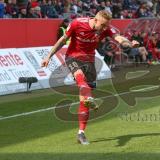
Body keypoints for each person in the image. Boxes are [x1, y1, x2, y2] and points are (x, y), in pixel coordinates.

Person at [41, 10, 137, 145]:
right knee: (80, 78)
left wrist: (129, 43)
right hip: (73, 57)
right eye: (103, 25)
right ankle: (89, 97)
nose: (104, 29)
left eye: (106, 26)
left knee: (84, 100)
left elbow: (119, 38)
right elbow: (63, 40)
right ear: (96, 20)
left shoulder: (106, 28)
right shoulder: (77, 23)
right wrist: (48, 56)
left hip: (90, 61)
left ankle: (81, 133)